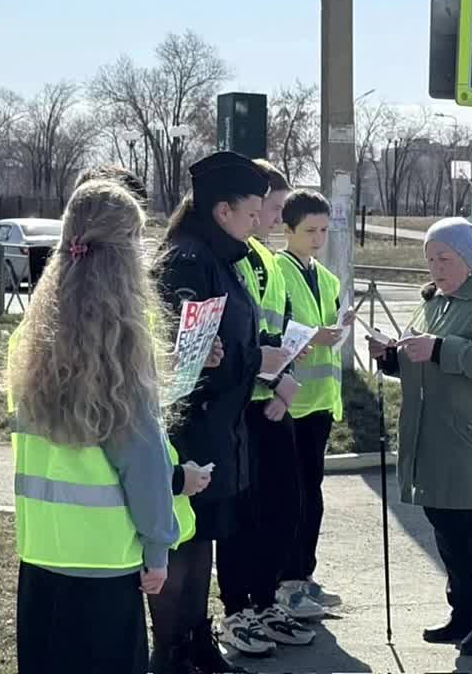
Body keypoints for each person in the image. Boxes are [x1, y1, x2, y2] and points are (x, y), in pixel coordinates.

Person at [5, 178, 207, 674]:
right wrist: (159, 547)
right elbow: (142, 464)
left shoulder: (28, 344)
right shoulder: (122, 352)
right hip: (105, 561)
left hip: (40, 554)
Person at [150, 151, 289, 673]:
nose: (259, 225)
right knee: (184, 542)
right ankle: (171, 654)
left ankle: (196, 642)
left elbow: (222, 344)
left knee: (203, 537)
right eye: (253, 214)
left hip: (219, 428)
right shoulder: (188, 261)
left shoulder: (220, 259)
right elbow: (185, 364)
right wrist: (258, 360)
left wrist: (250, 356)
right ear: (222, 210)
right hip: (192, 428)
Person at [366, 217, 472, 657]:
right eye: (430, 258)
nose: (435, 267)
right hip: (434, 434)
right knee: (447, 526)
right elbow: (421, 353)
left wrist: (439, 349)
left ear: (470, 260)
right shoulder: (436, 299)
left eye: (444, 258)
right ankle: (464, 614)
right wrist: (392, 356)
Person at [214, 159, 320, 658]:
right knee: (244, 518)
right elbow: (238, 338)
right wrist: (267, 378)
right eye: (270, 208)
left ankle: (267, 597)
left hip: (274, 403)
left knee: (285, 508)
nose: (274, 218)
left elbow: (282, 334)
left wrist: (287, 382)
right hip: (243, 408)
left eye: (277, 209)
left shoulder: (268, 262)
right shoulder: (233, 258)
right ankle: (240, 612)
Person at [274, 189, 355, 612]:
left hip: (320, 400)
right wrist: (312, 334)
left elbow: (328, 324)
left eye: (324, 230)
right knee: (294, 498)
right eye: (310, 231)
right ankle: (286, 581)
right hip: (290, 402)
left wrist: (339, 328)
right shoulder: (278, 271)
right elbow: (275, 329)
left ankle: (304, 574)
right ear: (288, 230)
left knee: (314, 495)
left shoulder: (325, 276)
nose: (318, 238)